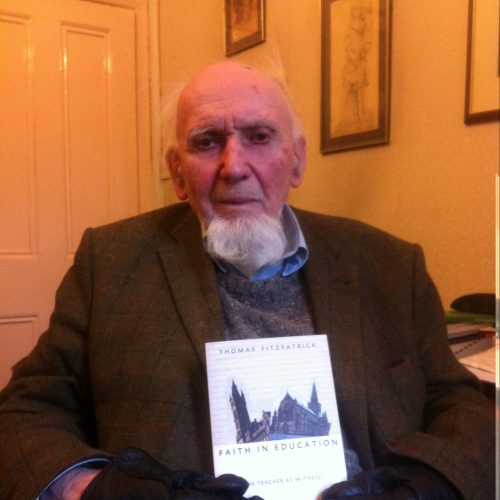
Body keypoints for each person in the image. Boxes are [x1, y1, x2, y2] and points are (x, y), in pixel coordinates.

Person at [0, 62, 494, 500]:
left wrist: (430, 484)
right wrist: (91, 488)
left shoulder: (389, 264)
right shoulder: (110, 262)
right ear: (177, 172)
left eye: (259, 136)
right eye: (206, 141)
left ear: (296, 160)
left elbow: (459, 400)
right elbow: (25, 409)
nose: (234, 167)